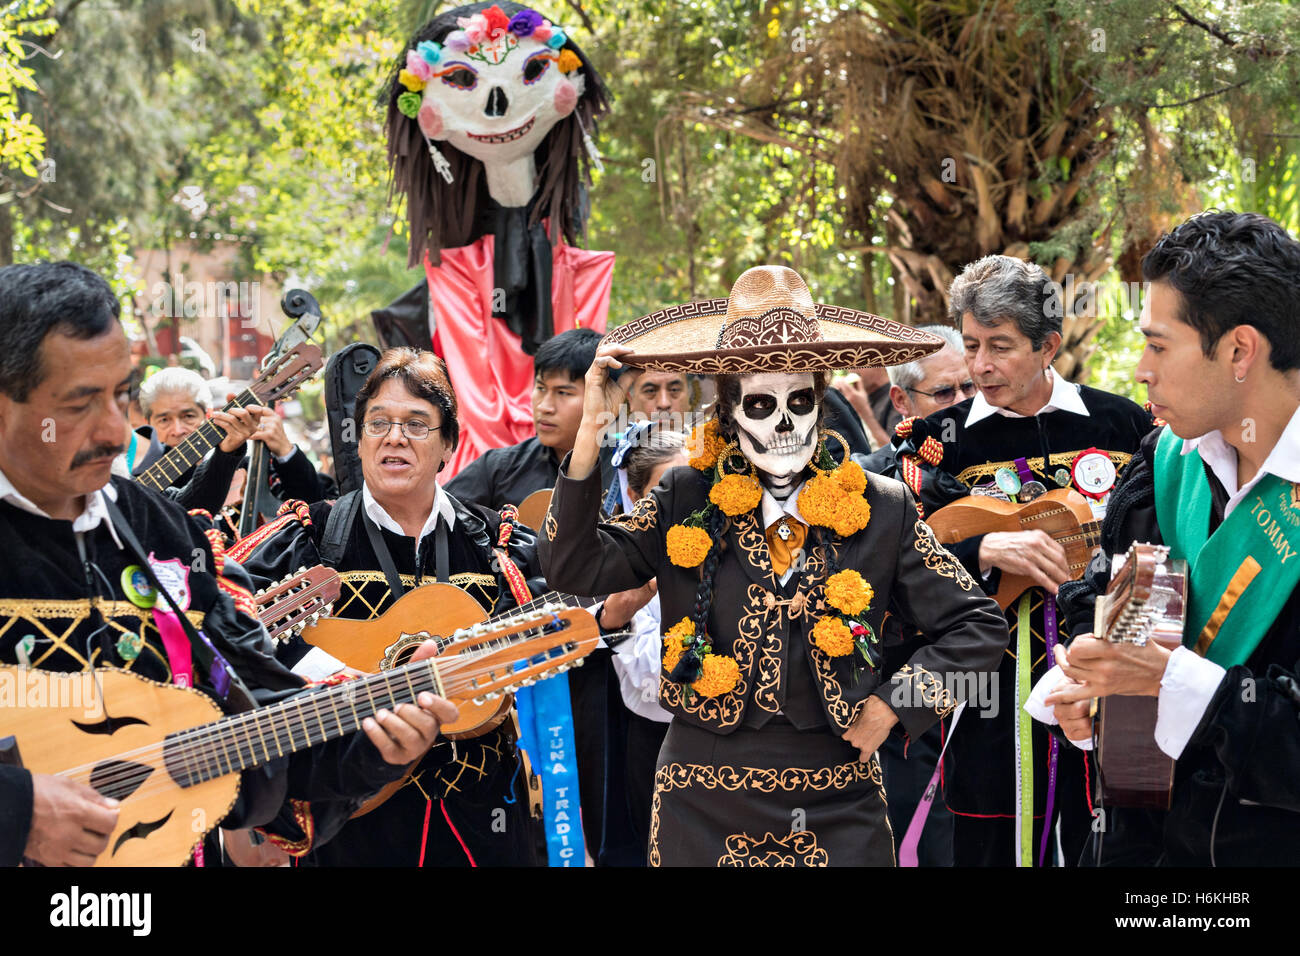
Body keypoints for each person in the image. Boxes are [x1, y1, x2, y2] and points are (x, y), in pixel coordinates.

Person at [541, 265, 1007, 866]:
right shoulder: (685, 493)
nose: (784, 423)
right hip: (702, 800)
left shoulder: (880, 505)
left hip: (840, 798)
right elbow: (571, 565)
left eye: (800, 401)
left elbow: (978, 628)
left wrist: (896, 704)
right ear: (730, 414)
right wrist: (589, 434)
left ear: (821, 401)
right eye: (761, 404)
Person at [0, 262, 452, 867]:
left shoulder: (153, 528)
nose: (115, 431)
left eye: (119, 396)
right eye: (81, 403)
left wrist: (372, 740)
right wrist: (17, 810)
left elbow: (255, 706)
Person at [1030, 211, 1300, 865]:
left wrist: (1179, 684)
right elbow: (1100, 589)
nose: (1141, 369)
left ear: (1239, 350)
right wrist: (1088, 679)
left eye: (1158, 345)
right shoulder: (1164, 461)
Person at [233, 347, 544, 866]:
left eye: (417, 424)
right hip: (355, 819)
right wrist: (351, 686)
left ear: (449, 444)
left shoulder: (497, 542)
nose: (394, 436)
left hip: (480, 816)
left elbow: (544, 643)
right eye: (378, 422)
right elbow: (235, 649)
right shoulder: (310, 536)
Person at [910, 255, 1154, 866]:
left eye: (1001, 346)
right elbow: (906, 561)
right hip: (988, 685)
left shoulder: (1124, 424)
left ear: (1048, 345)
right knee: (992, 837)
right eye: (971, 346)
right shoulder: (939, 441)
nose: (980, 366)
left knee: (1111, 831)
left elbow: (1157, 546)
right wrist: (981, 548)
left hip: (1106, 670)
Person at [591, 427, 687, 865]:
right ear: (635, 496)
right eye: (668, 492)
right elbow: (653, 678)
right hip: (658, 743)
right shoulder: (621, 571)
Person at [445, 327, 615, 509]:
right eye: (541, 388)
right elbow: (436, 516)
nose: (544, 406)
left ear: (604, 395)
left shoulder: (626, 469)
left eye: (563, 392)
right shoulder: (499, 468)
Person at [134, 367, 322, 514]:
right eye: (164, 420)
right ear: (147, 423)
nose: (177, 430)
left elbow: (314, 507)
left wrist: (285, 451)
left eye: (188, 416)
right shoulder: (135, 476)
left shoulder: (243, 470)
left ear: (208, 415)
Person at [622, 368, 691, 428]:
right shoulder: (615, 443)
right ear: (631, 400)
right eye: (650, 391)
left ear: (689, 397)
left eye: (674, 389)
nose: (664, 404)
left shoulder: (699, 441)